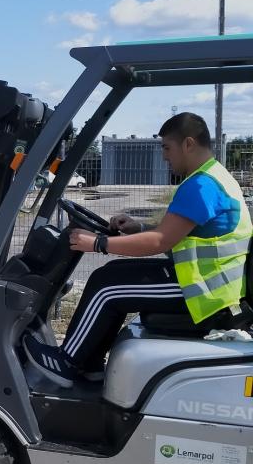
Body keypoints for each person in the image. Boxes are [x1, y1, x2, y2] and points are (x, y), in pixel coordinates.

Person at [24, 112, 253, 388]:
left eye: (167, 148)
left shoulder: (201, 185)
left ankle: (67, 363)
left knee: (107, 286)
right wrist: (139, 226)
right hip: (206, 285)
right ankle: (91, 363)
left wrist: (98, 243)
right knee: (112, 274)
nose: (165, 157)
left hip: (203, 294)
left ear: (189, 144)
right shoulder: (215, 176)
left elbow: (160, 242)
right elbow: (178, 232)